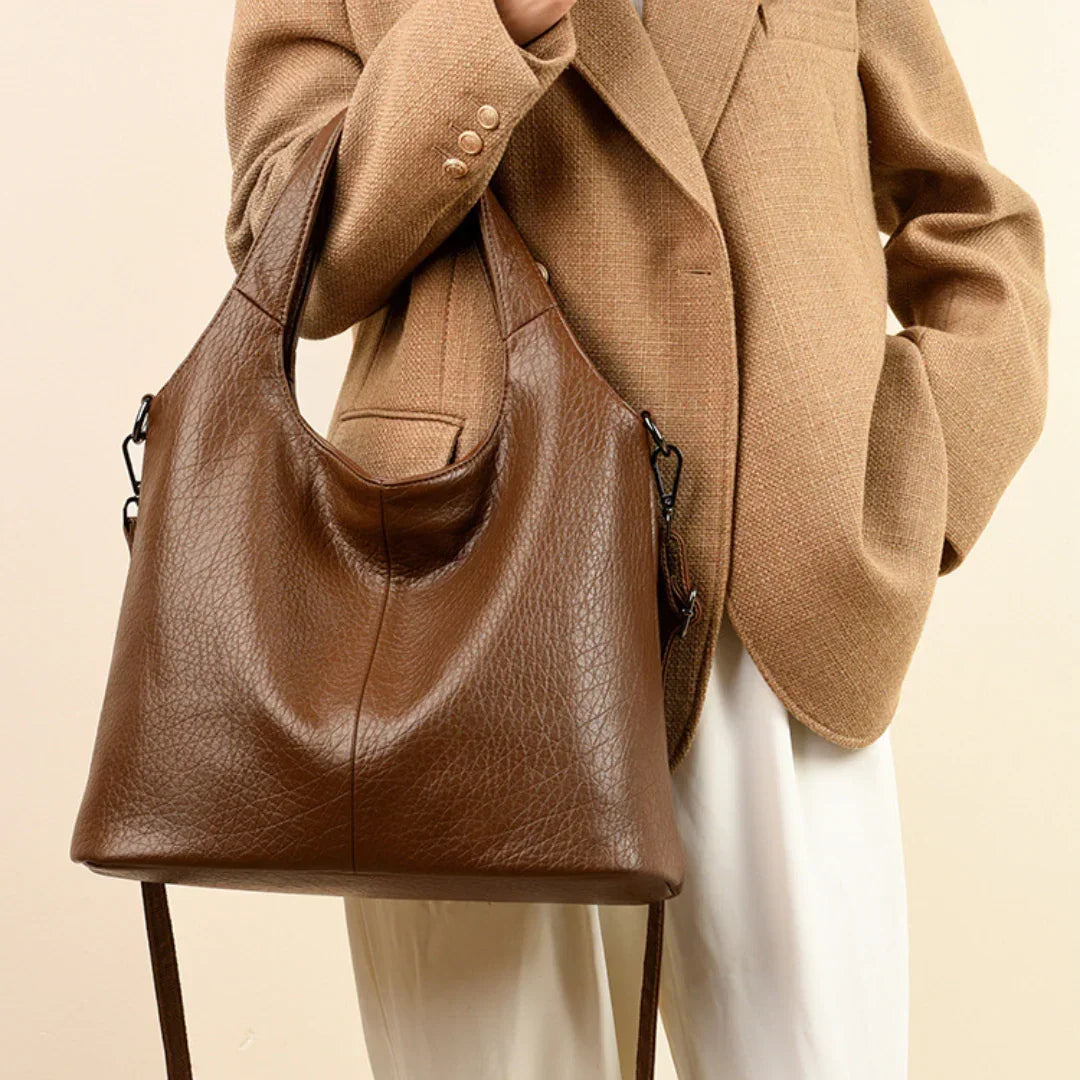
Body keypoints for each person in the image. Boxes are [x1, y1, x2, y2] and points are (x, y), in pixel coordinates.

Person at [224, 0, 1048, 1076]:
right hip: (462, 603)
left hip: (781, 607)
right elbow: (286, 244)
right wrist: (488, 25)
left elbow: (978, 226)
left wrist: (905, 477)